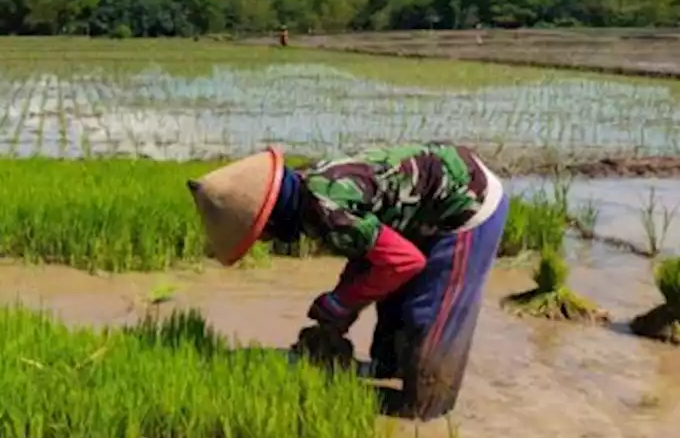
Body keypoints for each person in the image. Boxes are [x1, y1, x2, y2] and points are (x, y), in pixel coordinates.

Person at [186, 142, 508, 420]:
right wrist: (341, 304)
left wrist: (342, 302)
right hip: (417, 216)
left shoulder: (324, 204)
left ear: (271, 215)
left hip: (467, 207)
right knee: (390, 354)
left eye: (261, 234)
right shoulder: (307, 188)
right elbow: (366, 250)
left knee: (424, 382)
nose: (267, 241)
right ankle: (390, 376)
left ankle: (424, 413)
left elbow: (404, 262)